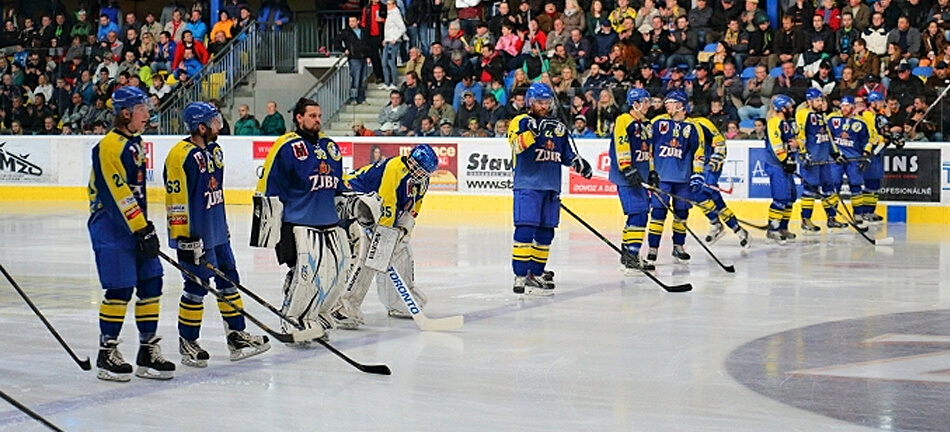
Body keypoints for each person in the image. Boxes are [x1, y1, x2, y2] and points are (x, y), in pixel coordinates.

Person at [164, 102, 270, 368]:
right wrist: (183, 238)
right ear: (201, 127)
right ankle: (188, 342)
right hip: (195, 237)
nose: (219, 126)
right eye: (213, 122)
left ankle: (237, 336)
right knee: (196, 288)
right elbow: (176, 199)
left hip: (218, 233)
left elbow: (215, 194)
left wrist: (223, 229)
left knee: (229, 280)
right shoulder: (180, 155)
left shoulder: (215, 150)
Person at [88, 86, 175, 382]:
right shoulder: (108, 146)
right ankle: (106, 351)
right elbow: (117, 193)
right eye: (142, 110)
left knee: (152, 280)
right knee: (120, 288)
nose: (147, 114)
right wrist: (141, 228)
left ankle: (147, 350)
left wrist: (144, 228)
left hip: (136, 226)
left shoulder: (135, 143)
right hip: (111, 225)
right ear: (126, 113)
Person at [255, 98, 349, 339]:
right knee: (305, 275)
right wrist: (270, 229)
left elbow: (340, 183)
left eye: (319, 115)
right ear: (299, 118)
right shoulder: (286, 146)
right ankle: (293, 320)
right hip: (298, 223)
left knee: (335, 275)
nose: (317, 120)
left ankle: (316, 315)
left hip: (328, 222)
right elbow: (268, 186)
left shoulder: (330, 146)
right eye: (312, 115)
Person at [330, 144, 438, 329]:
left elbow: (414, 206)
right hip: (354, 202)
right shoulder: (395, 168)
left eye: (425, 172)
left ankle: (397, 301)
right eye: (419, 168)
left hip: (375, 209)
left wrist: (404, 230)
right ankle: (343, 306)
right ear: (411, 161)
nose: (421, 174)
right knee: (370, 255)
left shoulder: (422, 180)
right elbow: (387, 202)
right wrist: (383, 237)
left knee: (401, 249)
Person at [507, 83, 592, 294]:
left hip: (551, 187)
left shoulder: (558, 126)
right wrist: (532, 133)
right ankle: (520, 275)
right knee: (525, 229)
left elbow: (565, 154)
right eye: (539, 102)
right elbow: (516, 146)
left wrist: (577, 162)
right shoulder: (521, 121)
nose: (544, 106)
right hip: (528, 185)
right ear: (529, 102)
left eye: (547, 102)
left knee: (546, 234)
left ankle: (535, 273)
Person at [644, 90, 704, 266]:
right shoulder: (658, 122)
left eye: (670, 102)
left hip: (683, 179)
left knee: (681, 213)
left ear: (680, 105)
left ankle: (679, 246)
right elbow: (648, 147)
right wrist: (650, 171)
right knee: (658, 212)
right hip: (662, 178)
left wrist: (697, 174)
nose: (666, 105)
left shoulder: (693, 127)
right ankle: (653, 248)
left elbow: (698, 152)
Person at [610, 89, 656, 274]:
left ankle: (629, 254)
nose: (648, 105)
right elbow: (622, 144)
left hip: (641, 176)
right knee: (638, 214)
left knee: (639, 214)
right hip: (627, 177)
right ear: (635, 103)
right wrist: (627, 167)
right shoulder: (624, 120)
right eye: (645, 101)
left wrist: (652, 171)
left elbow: (649, 151)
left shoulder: (647, 124)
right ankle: (632, 255)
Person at [690, 114, 750, 247]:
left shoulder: (701, 122)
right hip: (694, 167)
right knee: (699, 195)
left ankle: (724, 226)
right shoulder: (672, 125)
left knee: (705, 192)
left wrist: (717, 156)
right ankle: (731, 227)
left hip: (710, 164)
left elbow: (719, 140)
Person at [796, 88, 847, 232]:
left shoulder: (822, 116)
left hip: (824, 160)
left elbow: (828, 136)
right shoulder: (803, 114)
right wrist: (803, 153)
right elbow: (799, 136)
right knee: (810, 190)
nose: (820, 103)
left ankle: (831, 218)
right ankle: (806, 220)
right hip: (811, 160)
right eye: (817, 100)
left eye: (821, 100)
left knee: (829, 189)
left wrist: (836, 153)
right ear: (809, 101)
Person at [826, 95, 872, 228]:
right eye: (842, 105)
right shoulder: (832, 118)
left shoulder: (861, 123)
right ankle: (831, 216)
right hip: (836, 159)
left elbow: (867, 141)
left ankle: (858, 214)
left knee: (856, 185)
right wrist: (832, 153)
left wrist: (865, 155)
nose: (844, 108)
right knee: (834, 186)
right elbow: (826, 137)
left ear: (853, 107)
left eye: (847, 106)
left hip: (854, 158)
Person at [764, 95, 800, 244]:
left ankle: (783, 227)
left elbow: (794, 140)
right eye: (789, 107)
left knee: (791, 196)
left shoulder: (787, 123)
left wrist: (797, 145)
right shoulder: (774, 122)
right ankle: (773, 229)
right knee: (780, 198)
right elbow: (775, 144)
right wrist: (784, 159)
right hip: (776, 165)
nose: (792, 109)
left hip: (786, 164)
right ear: (782, 108)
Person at [858, 91, 890, 224]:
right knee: (870, 182)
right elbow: (872, 136)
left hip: (877, 152)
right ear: (873, 103)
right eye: (880, 102)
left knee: (875, 182)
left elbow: (883, 131)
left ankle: (870, 210)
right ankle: (866, 211)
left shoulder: (878, 116)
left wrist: (890, 136)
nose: (882, 105)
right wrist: (884, 138)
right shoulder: (867, 115)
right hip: (869, 152)